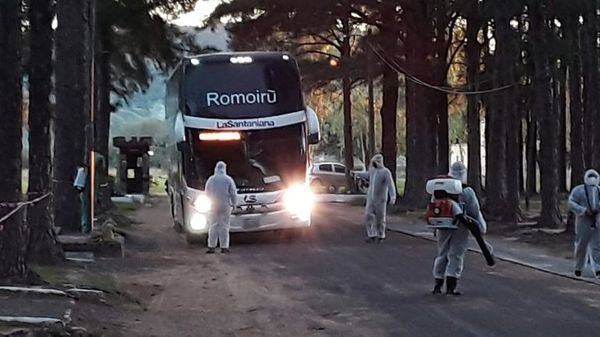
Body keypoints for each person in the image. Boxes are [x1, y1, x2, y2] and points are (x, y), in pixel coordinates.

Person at [432, 162, 487, 295]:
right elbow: (474, 210)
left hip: (442, 225)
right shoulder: (467, 191)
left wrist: (435, 227)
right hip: (460, 226)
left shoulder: (440, 189)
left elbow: (434, 208)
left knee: (442, 253)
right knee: (456, 254)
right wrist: (481, 226)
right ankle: (451, 286)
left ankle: (437, 284)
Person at [568, 169, 600, 278]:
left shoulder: (599, 190)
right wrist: (583, 210)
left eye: (594, 176)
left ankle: (598, 268)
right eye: (590, 176)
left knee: (597, 245)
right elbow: (571, 203)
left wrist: (597, 209)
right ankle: (578, 268)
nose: (592, 179)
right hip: (583, 221)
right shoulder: (578, 190)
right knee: (581, 244)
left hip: (597, 220)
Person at [205, 161, 238, 254]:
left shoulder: (211, 179)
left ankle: (211, 246)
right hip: (225, 205)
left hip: (213, 205)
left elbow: (207, 193)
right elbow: (233, 193)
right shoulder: (228, 179)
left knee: (213, 225)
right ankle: (224, 247)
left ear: (216, 168)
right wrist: (234, 204)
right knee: (224, 226)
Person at [365, 154, 397, 243]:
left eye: (375, 162)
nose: (373, 164)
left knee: (380, 218)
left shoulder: (385, 172)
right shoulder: (373, 171)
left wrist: (393, 196)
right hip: (371, 198)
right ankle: (371, 234)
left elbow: (390, 185)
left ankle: (381, 235)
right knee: (368, 215)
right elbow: (367, 175)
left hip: (381, 199)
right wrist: (356, 174)